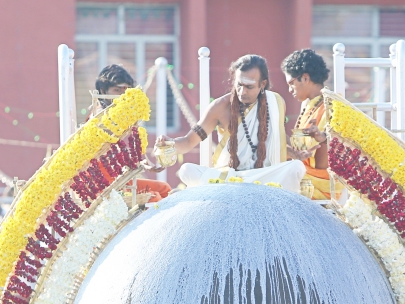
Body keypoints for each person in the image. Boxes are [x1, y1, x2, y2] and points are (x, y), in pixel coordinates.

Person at [157, 54, 287, 172]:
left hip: (265, 175)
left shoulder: (275, 103)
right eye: (239, 85)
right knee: (187, 170)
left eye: (249, 87)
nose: (242, 92)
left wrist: (294, 152)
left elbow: (277, 139)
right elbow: (189, 141)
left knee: (294, 168)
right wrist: (170, 143)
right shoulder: (220, 107)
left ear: (263, 84)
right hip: (230, 176)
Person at [91, 64, 170, 203]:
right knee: (155, 197)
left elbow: (126, 152)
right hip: (104, 185)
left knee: (164, 189)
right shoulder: (99, 116)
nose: (123, 95)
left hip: (119, 179)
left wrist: (144, 164)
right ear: (103, 91)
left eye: (126, 90)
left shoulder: (121, 114)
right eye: (117, 90)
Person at [282, 49, 335, 200]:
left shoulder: (330, 106)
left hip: (318, 187)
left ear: (305, 78)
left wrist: (321, 139)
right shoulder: (308, 105)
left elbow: (325, 163)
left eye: (291, 83)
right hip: (302, 176)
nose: (289, 89)